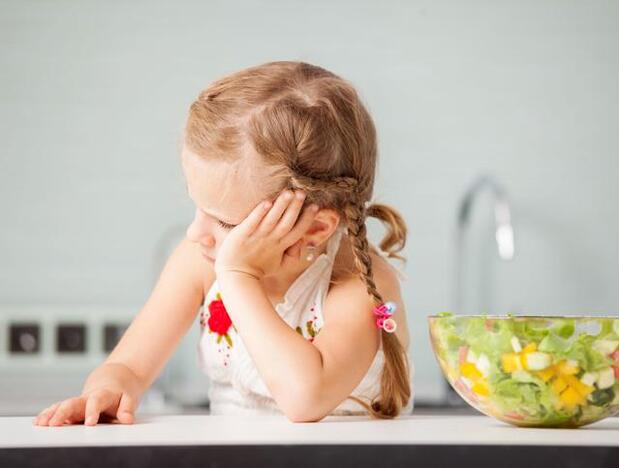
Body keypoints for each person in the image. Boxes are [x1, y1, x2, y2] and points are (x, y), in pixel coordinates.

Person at [33, 61, 414, 426]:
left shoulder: (358, 286)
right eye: (197, 207)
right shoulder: (198, 260)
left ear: (315, 228)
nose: (195, 233)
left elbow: (306, 399)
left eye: (224, 220)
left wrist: (238, 276)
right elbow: (129, 366)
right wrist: (107, 390)